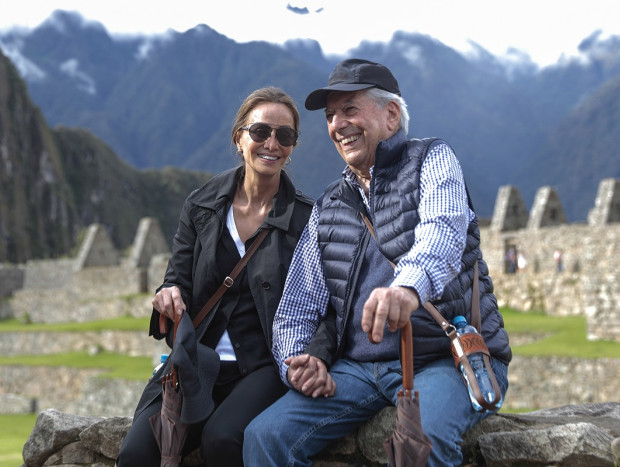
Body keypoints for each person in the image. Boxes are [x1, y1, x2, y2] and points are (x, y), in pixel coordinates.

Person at [243, 59, 512, 467]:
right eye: (331, 115)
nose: (337, 124)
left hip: (442, 357)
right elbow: (298, 305)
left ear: (390, 115)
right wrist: (298, 361)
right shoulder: (329, 207)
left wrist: (408, 288)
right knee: (265, 437)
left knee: (425, 437)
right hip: (357, 370)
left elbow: (443, 232)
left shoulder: (432, 160)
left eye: (350, 109)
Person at [117, 86, 313, 467]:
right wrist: (167, 294)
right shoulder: (201, 205)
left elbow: (318, 302)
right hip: (195, 359)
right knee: (136, 453)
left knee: (222, 440)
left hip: (262, 364)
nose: (272, 143)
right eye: (260, 132)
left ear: (291, 147)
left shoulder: (306, 219)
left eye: (284, 136)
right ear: (239, 138)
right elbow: (176, 280)